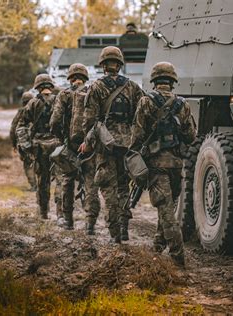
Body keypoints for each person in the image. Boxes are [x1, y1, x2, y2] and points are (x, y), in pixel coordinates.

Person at [130, 62, 196, 266]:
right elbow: (191, 136)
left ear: (155, 80)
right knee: (167, 207)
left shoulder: (145, 102)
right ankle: (158, 247)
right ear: (172, 81)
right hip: (176, 165)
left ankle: (178, 260)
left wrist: (134, 158)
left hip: (156, 165)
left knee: (166, 211)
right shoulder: (183, 104)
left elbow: (137, 135)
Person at [80, 46, 144, 241]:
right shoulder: (132, 87)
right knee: (124, 187)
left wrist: (87, 142)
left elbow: (89, 121)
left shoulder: (96, 87)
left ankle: (114, 235)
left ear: (103, 65)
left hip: (105, 145)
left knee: (108, 190)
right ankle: (124, 230)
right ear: (119, 64)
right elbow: (141, 115)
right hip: (127, 145)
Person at [50, 63, 100, 231]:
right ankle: (90, 223)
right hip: (90, 148)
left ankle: (68, 221)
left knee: (67, 182)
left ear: (70, 78)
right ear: (85, 78)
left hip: (69, 146)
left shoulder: (64, 95)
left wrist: (61, 138)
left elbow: (55, 121)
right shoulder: (93, 93)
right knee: (91, 184)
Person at [17, 74, 59, 219]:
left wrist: (27, 146)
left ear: (38, 87)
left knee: (43, 180)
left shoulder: (32, 103)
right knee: (62, 180)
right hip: (58, 147)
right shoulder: (60, 101)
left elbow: (21, 127)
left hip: (40, 148)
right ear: (50, 86)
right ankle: (62, 214)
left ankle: (44, 213)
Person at [10, 91, 36, 191]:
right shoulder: (38, 109)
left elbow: (13, 128)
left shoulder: (21, 112)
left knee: (28, 164)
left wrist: (13, 144)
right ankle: (41, 184)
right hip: (38, 141)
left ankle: (34, 185)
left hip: (24, 143)